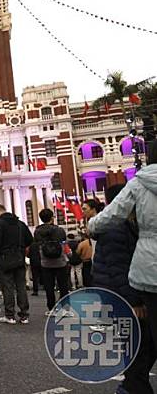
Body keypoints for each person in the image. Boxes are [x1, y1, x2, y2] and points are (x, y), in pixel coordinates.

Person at [89, 142, 157, 372]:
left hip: (147, 274)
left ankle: (134, 382)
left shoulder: (139, 183)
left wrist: (92, 226)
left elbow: (107, 217)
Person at [0, 204, 33, 324]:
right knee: (21, 286)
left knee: (7, 287)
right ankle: (24, 315)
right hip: (19, 257)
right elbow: (30, 239)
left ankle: (10, 315)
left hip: (4, 259)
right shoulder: (20, 223)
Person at [31, 209, 68, 315]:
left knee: (49, 286)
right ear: (52, 218)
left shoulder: (37, 231)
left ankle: (51, 308)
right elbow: (64, 243)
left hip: (46, 262)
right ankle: (65, 308)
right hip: (60, 261)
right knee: (63, 286)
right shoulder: (59, 230)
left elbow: (37, 244)